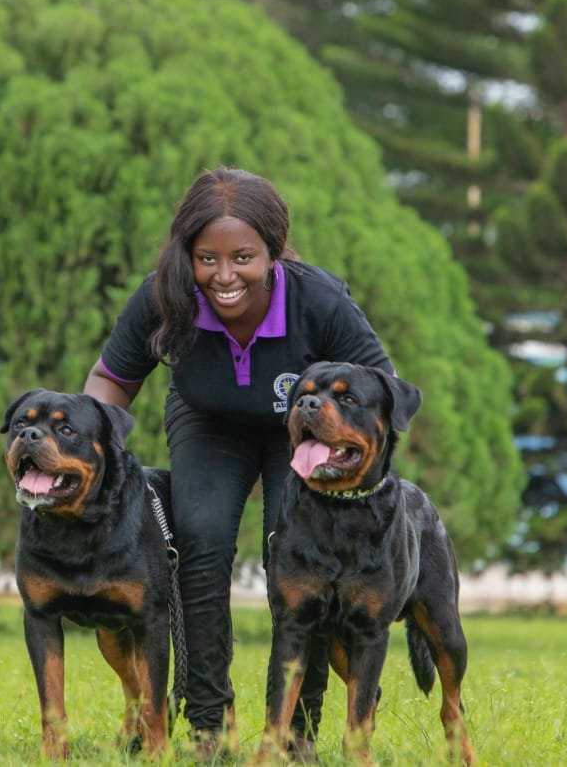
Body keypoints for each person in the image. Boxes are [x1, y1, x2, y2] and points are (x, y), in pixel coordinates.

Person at [84, 166, 395, 758]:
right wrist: (95, 448)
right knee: (200, 541)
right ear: (187, 255)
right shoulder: (160, 297)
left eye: (243, 257)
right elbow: (110, 379)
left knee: (298, 554)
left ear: (273, 253)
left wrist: (348, 448)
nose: (224, 276)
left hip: (304, 434)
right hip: (209, 421)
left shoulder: (319, 300)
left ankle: (296, 733)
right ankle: (208, 724)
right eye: (207, 259)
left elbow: (384, 384)